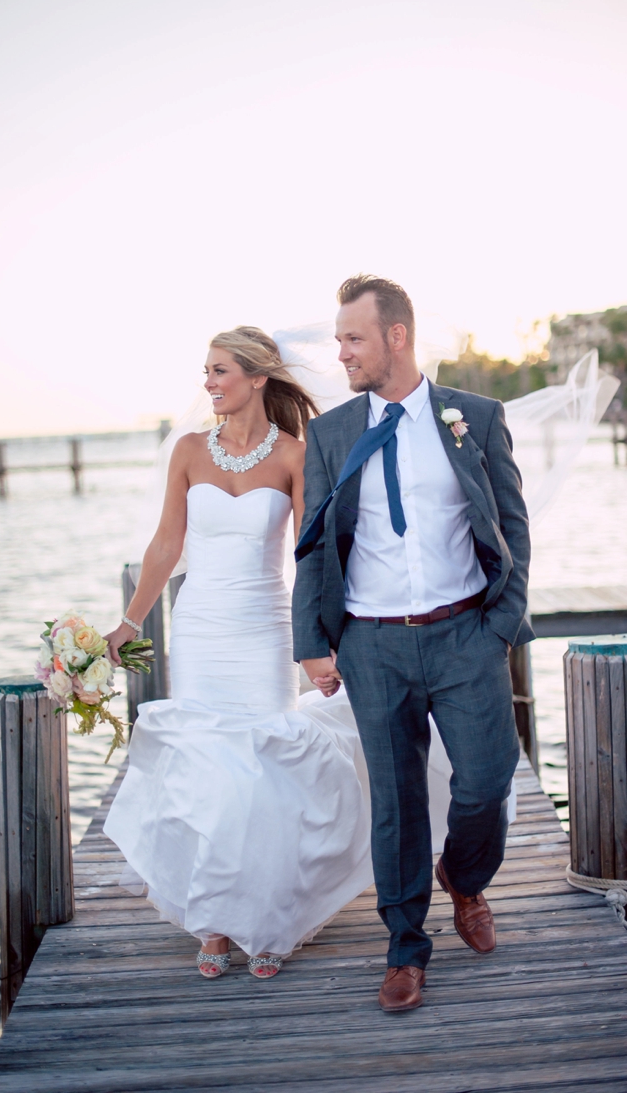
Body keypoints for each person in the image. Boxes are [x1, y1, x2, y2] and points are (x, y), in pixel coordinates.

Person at [102, 326, 374, 980]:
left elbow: (313, 557)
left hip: (262, 629)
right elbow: (167, 543)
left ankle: (273, 917)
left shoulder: (296, 455)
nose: (208, 383)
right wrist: (131, 620)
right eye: (206, 371)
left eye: (219, 370)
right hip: (198, 629)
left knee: (263, 772)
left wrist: (319, 644)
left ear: (256, 379)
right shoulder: (190, 451)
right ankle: (216, 921)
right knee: (207, 771)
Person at [293, 274, 533, 1013]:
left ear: (396, 336)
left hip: (466, 634)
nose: (342, 353)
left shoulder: (475, 417)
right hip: (373, 645)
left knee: (488, 780)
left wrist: (500, 624)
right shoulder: (332, 433)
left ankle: (465, 878)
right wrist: (314, 642)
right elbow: (313, 547)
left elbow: (513, 528)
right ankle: (405, 949)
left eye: (353, 338)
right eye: (338, 339)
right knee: (395, 803)